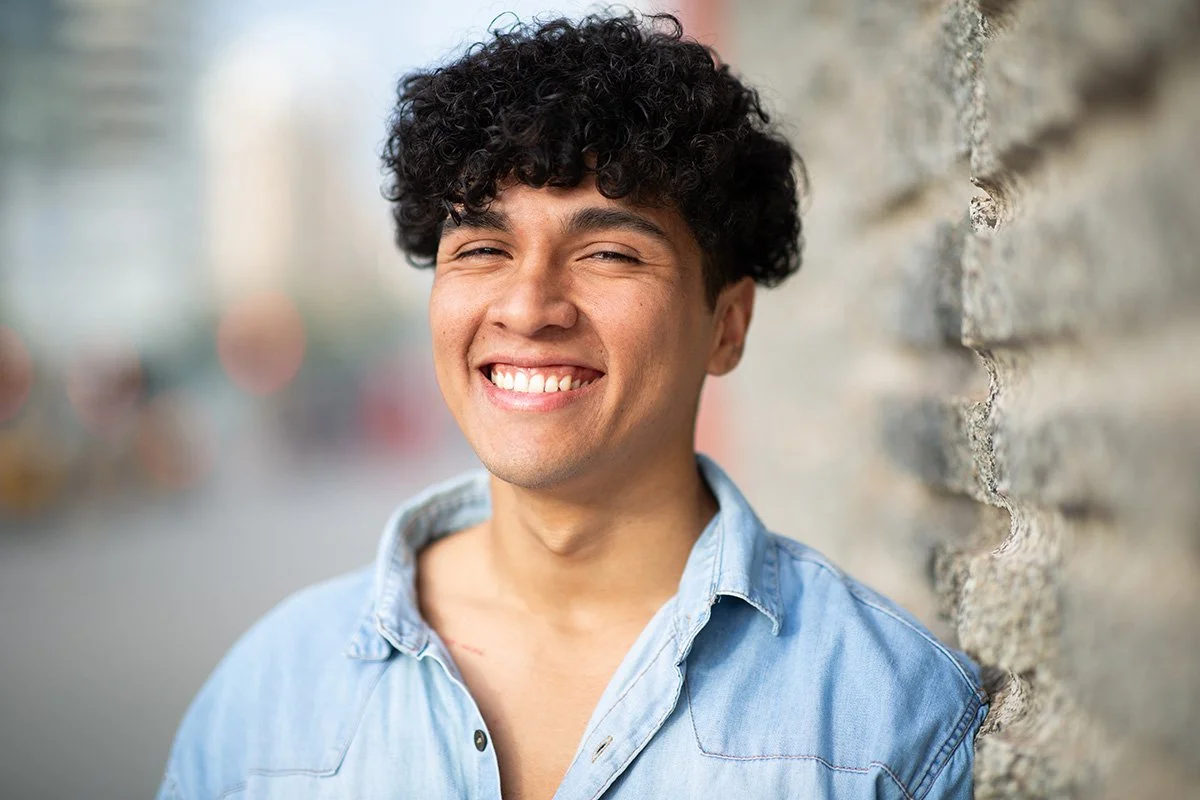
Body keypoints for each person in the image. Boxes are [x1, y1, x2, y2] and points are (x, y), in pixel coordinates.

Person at [158, 12, 987, 800]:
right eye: (483, 248)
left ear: (727, 326)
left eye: (609, 252)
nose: (528, 307)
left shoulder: (890, 721)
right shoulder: (264, 697)